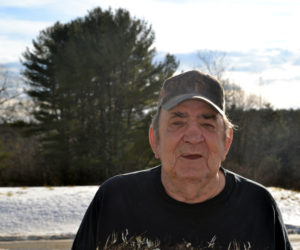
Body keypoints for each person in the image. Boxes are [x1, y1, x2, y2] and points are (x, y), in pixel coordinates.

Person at [72, 70, 292, 249]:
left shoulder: (258, 207)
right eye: (178, 122)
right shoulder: (114, 200)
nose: (194, 137)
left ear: (226, 141)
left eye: (207, 123)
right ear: (154, 139)